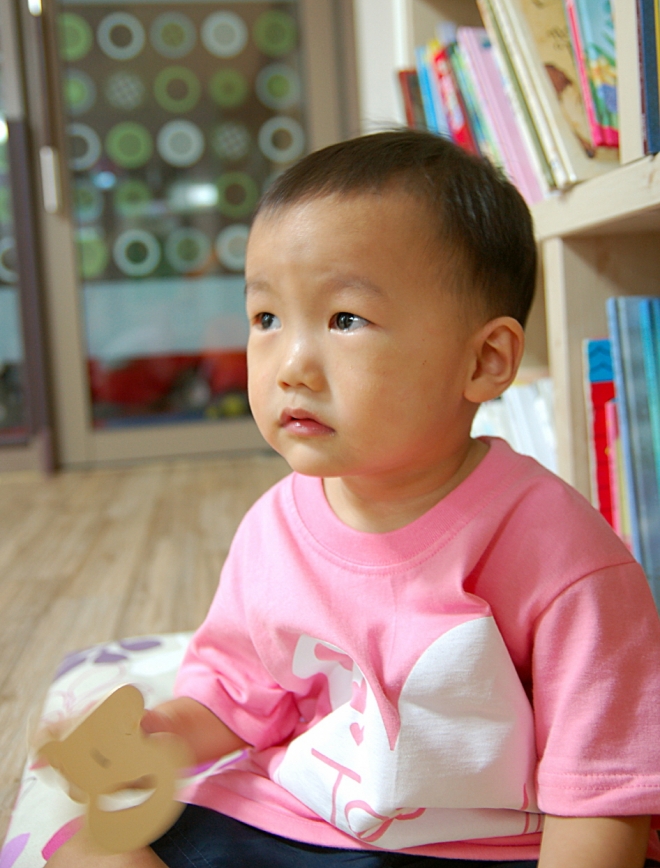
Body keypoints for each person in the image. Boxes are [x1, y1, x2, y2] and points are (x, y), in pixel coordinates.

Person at [49, 131, 660, 868]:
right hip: (299, 818)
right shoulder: (276, 526)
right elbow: (236, 695)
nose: (291, 365)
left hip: (486, 845)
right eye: (267, 319)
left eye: (345, 320)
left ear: (484, 360)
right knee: (87, 852)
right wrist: (148, 741)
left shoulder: (561, 552)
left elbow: (603, 791)